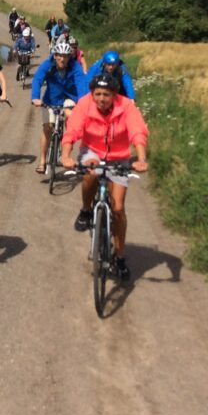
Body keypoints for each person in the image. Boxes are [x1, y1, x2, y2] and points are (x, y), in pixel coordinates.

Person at [60, 73, 149, 281]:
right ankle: (85, 210)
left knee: (118, 208)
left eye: (106, 94)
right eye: (98, 94)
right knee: (91, 172)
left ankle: (120, 257)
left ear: (114, 95)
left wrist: (141, 158)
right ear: (92, 94)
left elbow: (137, 131)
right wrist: (65, 155)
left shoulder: (126, 106)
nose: (101, 98)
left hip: (119, 157)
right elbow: (73, 129)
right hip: (92, 151)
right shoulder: (84, 104)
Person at [31, 40, 88, 174]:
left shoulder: (75, 67)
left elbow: (81, 85)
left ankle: (66, 152)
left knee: (71, 121)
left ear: (70, 57)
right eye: (59, 55)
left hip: (69, 98)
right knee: (47, 127)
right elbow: (38, 79)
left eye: (66, 56)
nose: (62, 59)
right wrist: (35, 97)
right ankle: (42, 160)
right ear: (55, 55)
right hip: (51, 99)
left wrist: (82, 103)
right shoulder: (48, 64)